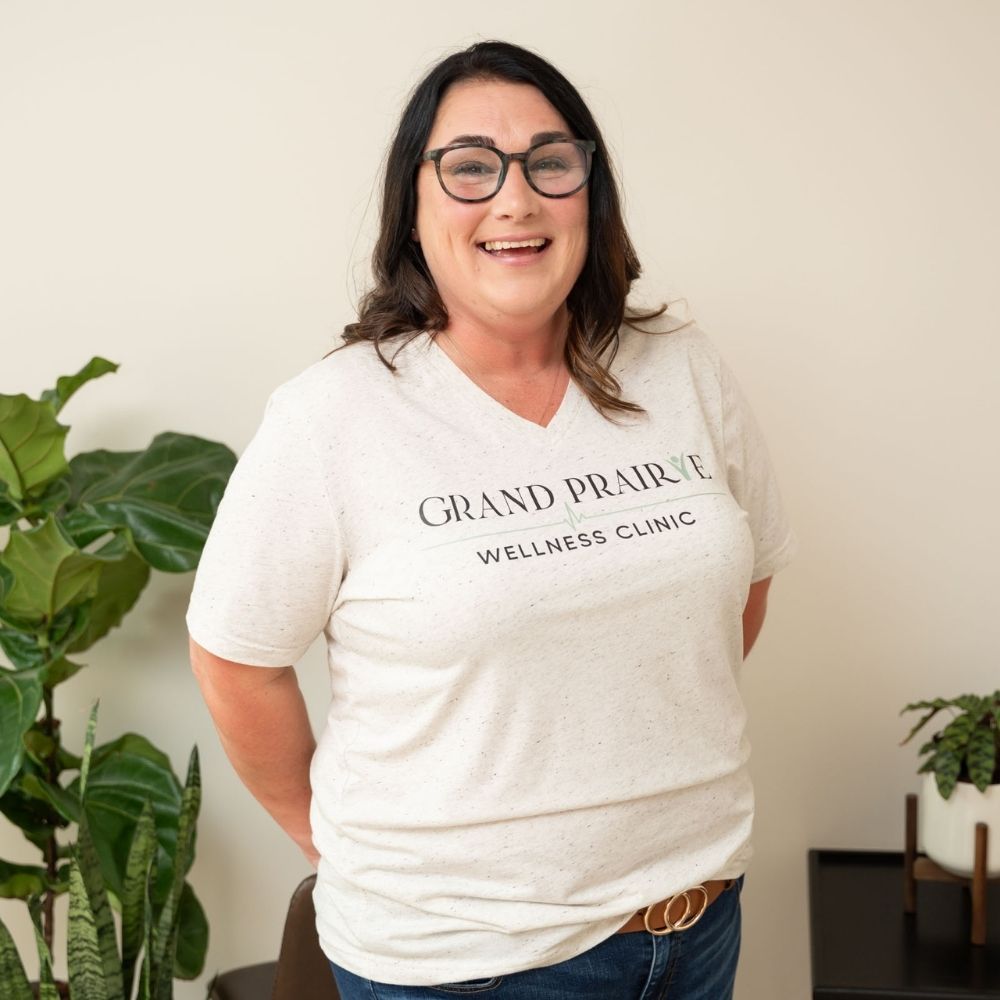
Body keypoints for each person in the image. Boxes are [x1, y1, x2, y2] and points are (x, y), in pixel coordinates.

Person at [187, 40, 795, 1000]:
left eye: (550, 163)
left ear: (589, 192)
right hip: (463, 962)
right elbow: (236, 660)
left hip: (698, 924)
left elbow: (738, 586)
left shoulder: (681, 365)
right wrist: (343, 845)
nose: (516, 200)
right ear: (413, 205)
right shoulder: (333, 417)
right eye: (470, 167)